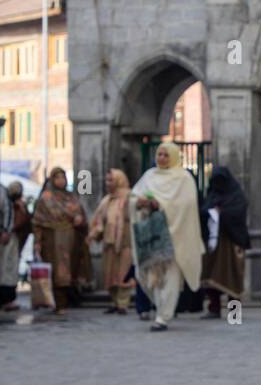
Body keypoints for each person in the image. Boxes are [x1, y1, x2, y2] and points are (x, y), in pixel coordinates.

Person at [129, 141, 204, 332]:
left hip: (174, 236)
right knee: (146, 275)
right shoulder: (149, 176)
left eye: (166, 155)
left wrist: (159, 205)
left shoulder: (184, 178)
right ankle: (160, 309)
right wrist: (139, 203)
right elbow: (133, 197)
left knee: (170, 277)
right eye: (159, 154)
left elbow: (186, 205)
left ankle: (163, 316)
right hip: (151, 236)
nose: (161, 158)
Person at [31, 167, 90, 316]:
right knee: (57, 272)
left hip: (71, 239)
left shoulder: (72, 197)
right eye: (57, 177)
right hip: (52, 240)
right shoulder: (46, 198)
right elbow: (38, 222)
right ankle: (58, 303)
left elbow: (82, 216)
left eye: (63, 177)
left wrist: (80, 220)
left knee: (70, 270)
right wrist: (37, 241)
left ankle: (68, 300)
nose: (61, 181)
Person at [199, 166, 250, 319]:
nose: (218, 184)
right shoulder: (212, 195)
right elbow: (203, 211)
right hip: (214, 244)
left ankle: (234, 313)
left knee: (233, 277)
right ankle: (214, 309)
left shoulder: (236, 196)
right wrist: (210, 212)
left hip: (232, 242)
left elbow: (239, 212)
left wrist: (222, 213)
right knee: (211, 275)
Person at [89, 169, 135, 315]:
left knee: (123, 274)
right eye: (107, 180)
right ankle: (114, 302)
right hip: (109, 243)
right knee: (110, 274)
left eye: (111, 180)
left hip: (126, 242)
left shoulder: (130, 197)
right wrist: (94, 234)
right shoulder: (107, 200)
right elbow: (99, 220)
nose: (108, 183)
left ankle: (123, 303)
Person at [0, 181, 30, 311]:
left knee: (9, 269)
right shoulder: (8, 202)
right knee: (5, 269)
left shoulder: (17, 205)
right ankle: (5, 299)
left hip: (11, 239)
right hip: (6, 239)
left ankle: (7, 299)